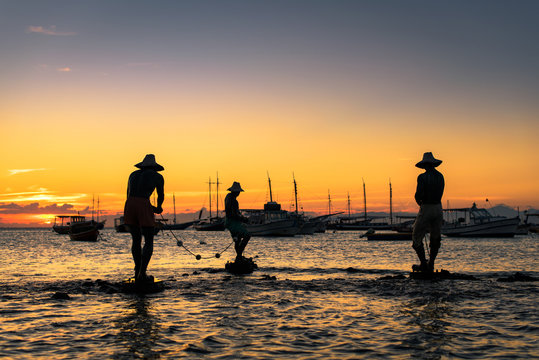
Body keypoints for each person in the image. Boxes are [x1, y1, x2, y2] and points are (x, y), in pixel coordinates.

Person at [123, 154, 164, 283]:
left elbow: (128, 192)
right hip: (143, 203)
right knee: (149, 239)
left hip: (129, 204)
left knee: (136, 240)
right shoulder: (158, 176)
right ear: (154, 167)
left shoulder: (133, 175)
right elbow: (160, 195)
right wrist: (158, 207)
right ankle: (142, 273)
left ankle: (137, 271)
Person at [412, 152, 445, 272]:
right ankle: (431, 263)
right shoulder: (441, 176)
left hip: (427, 207)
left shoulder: (422, 177)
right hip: (438, 208)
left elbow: (418, 195)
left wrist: (420, 203)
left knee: (416, 237)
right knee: (435, 237)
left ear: (425, 164)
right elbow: (440, 192)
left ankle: (423, 265)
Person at [224, 182, 251, 262]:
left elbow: (233, 213)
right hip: (232, 222)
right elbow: (233, 214)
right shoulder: (232, 200)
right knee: (247, 235)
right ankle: (239, 256)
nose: (239, 193)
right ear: (235, 191)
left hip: (229, 222)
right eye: (238, 192)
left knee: (238, 239)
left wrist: (241, 218)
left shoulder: (228, 197)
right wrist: (243, 219)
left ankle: (239, 257)